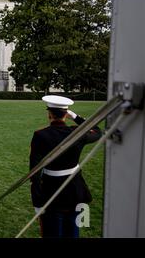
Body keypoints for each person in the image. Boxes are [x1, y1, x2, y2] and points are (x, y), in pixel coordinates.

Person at [29, 95, 102, 238]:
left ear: (49, 114)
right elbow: (97, 131)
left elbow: (35, 171)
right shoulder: (76, 133)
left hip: (51, 192)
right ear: (65, 114)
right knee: (72, 233)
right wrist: (75, 116)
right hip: (75, 189)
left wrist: (37, 203)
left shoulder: (40, 135)